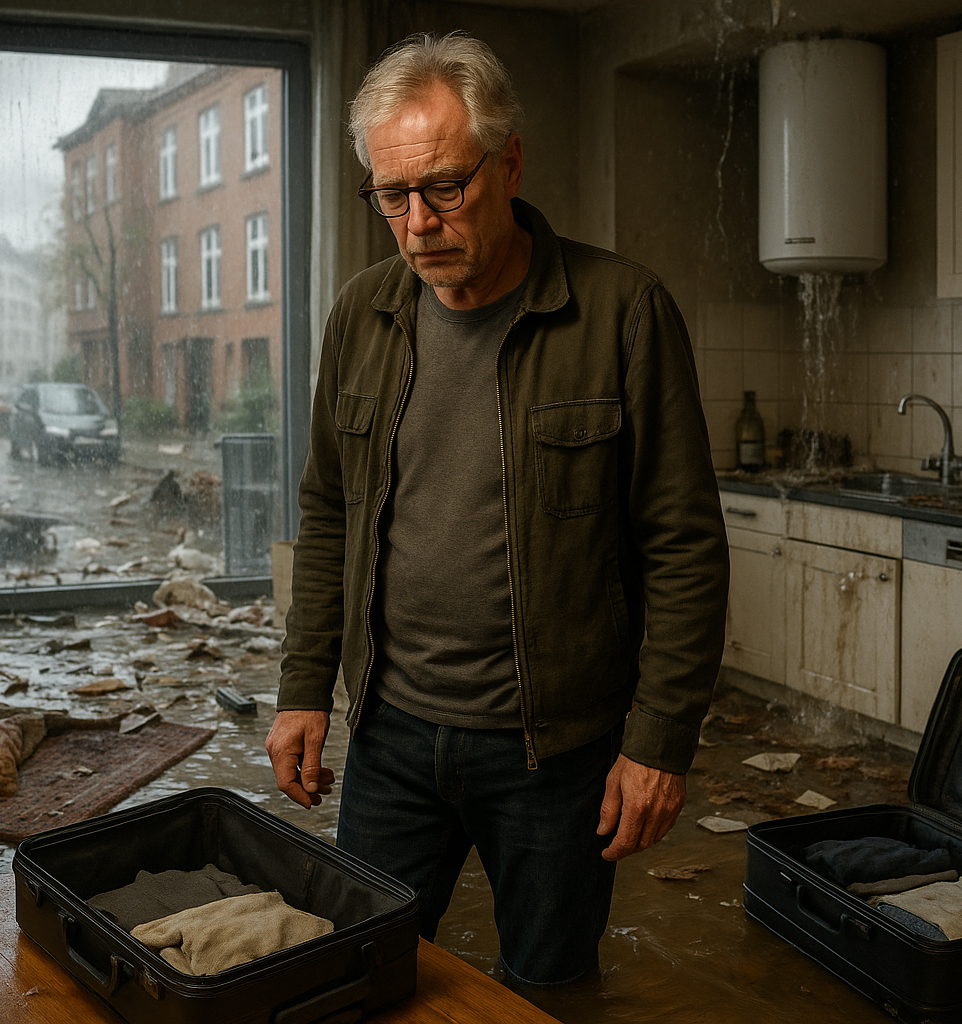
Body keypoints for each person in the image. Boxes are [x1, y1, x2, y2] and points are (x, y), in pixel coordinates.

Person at [266, 30, 728, 987]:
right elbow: (329, 512)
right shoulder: (363, 312)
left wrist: (658, 743)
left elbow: (684, 547)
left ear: (509, 161)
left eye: (444, 187)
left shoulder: (623, 313)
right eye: (392, 196)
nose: (418, 222)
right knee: (357, 979)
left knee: (546, 991)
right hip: (391, 735)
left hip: (554, 753)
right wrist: (306, 683)